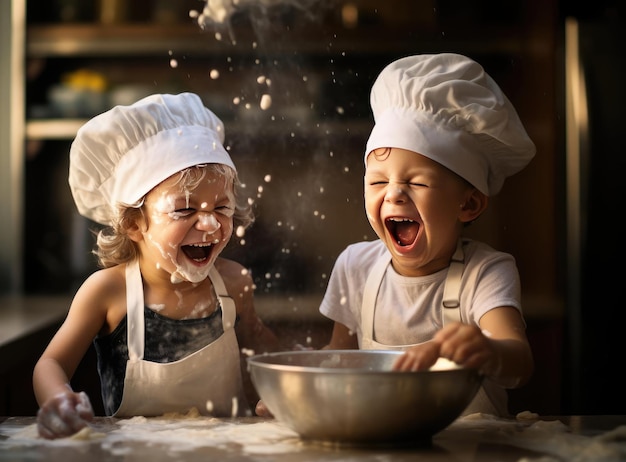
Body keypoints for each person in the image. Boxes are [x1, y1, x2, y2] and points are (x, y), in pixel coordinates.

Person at [33, 92, 282, 439]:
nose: (209, 225)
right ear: (134, 223)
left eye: (221, 209)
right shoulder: (108, 292)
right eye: (184, 210)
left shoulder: (232, 282)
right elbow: (51, 364)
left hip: (224, 459)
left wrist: (285, 387)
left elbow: (262, 350)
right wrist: (58, 398)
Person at [320, 53, 536, 417]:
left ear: (468, 205)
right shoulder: (355, 267)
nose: (393, 194)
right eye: (377, 181)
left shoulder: (485, 273)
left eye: (416, 182)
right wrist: (298, 392)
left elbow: (520, 364)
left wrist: (490, 352)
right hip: (379, 452)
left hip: (469, 456)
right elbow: (339, 356)